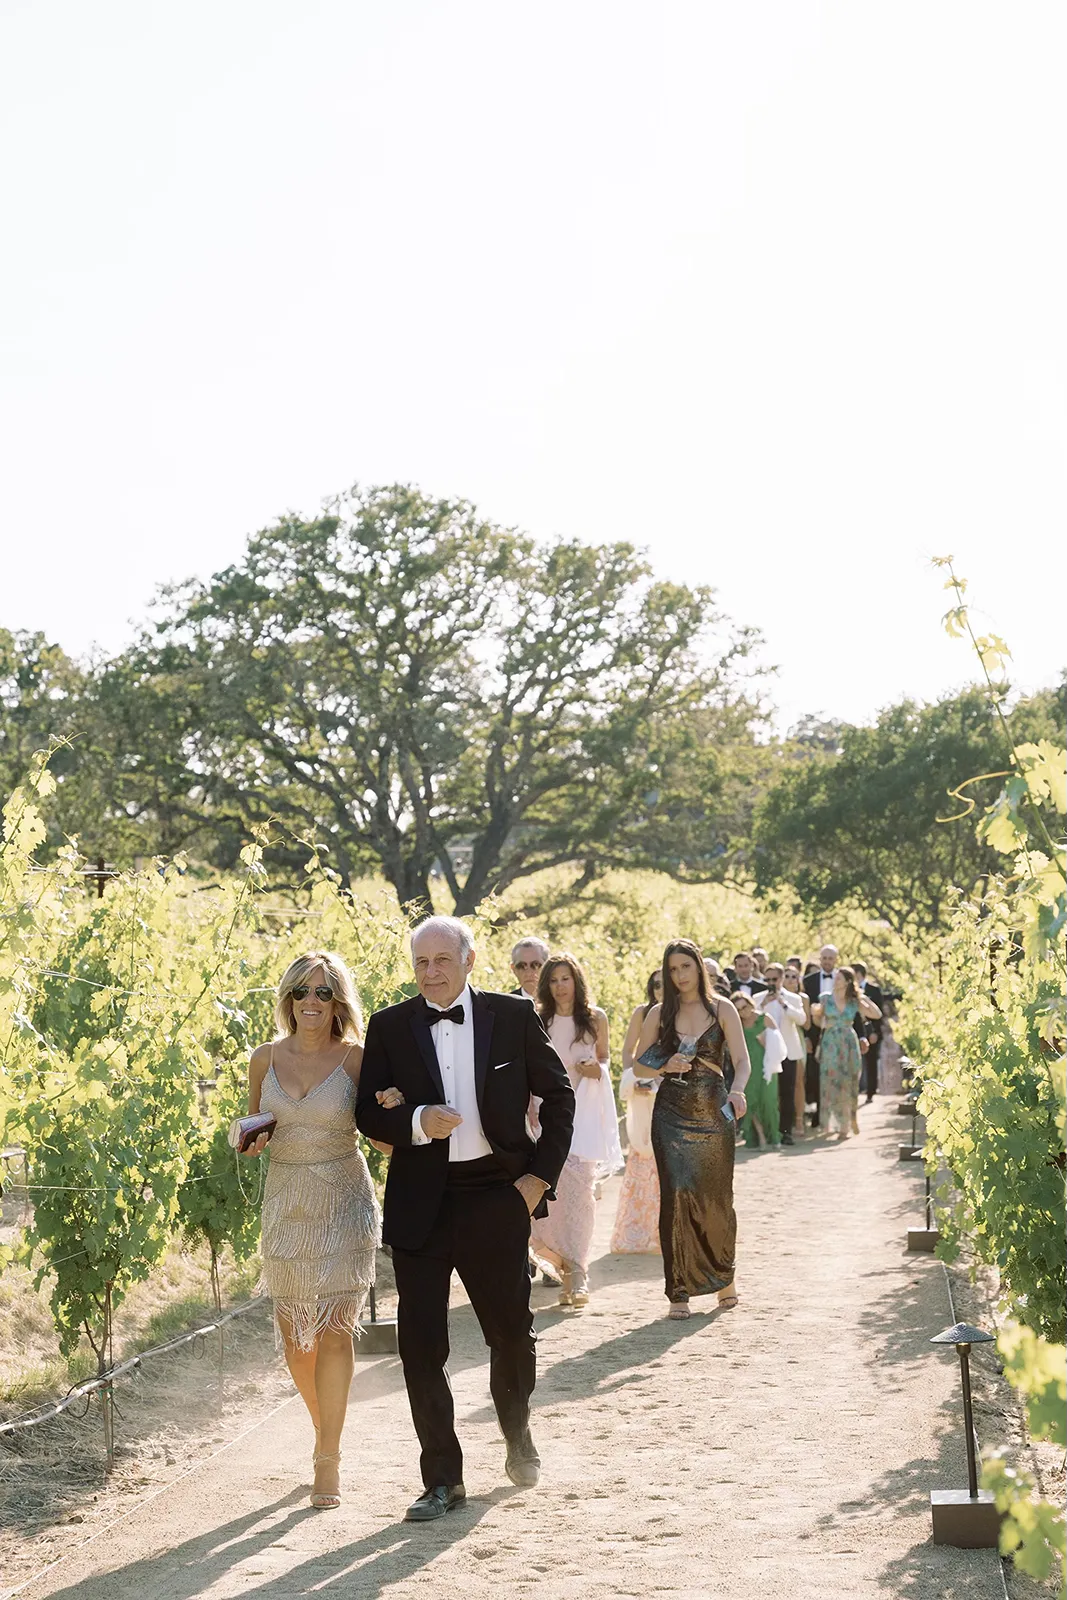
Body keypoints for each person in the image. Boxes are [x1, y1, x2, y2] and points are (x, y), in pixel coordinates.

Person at [355, 916, 575, 1520]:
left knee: (510, 1337)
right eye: (420, 962)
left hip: (496, 1195)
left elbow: (559, 1098)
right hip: (421, 1200)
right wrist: (416, 1121)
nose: (430, 972)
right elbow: (369, 1114)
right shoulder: (390, 1026)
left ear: (469, 961)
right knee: (420, 1347)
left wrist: (538, 1178)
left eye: (441, 960)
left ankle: (517, 1432)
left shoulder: (512, 1016)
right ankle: (443, 1479)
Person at [245, 950, 394, 1510]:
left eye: (323, 992)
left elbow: (382, 1137)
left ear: (338, 1003)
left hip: (343, 1200)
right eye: (302, 991)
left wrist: (400, 1109)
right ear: (288, 999)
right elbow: (254, 1127)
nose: (311, 1002)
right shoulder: (263, 1058)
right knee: (294, 1338)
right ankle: (324, 1427)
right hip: (285, 1201)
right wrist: (252, 1141)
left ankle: (326, 1458)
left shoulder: (357, 1060)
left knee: (334, 1331)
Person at [635, 939, 751, 1320]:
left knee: (716, 1199)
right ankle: (678, 1290)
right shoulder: (658, 1013)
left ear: (698, 967)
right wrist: (664, 1066)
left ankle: (724, 1278)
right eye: (672, 969)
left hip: (714, 1114)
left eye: (685, 967)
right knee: (676, 1196)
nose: (679, 975)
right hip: (670, 1114)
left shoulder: (723, 1008)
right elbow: (639, 1066)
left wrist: (736, 1091)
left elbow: (742, 1062)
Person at [530, 953, 621, 1305]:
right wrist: (528, 1106)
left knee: (581, 1194)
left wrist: (594, 1069)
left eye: (565, 978)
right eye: (553, 980)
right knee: (550, 1193)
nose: (560, 986)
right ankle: (564, 1266)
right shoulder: (539, 1020)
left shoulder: (596, 1018)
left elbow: (605, 1064)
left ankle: (579, 1272)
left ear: (576, 980)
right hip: (547, 1112)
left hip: (584, 1109)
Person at [611, 970, 663, 1254]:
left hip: (673, 1090)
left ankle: (666, 1232)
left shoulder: (685, 1013)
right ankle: (638, 1231)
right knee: (644, 1151)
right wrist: (637, 1079)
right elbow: (628, 1051)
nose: (660, 990)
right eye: (655, 985)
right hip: (644, 1093)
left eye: (664, 984)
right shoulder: (642, 1013)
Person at [811, 966, 882, 1138]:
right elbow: (816, 1018)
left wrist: (863, 997)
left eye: (839, 978)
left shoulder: (854, 1001)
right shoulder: (825, 998)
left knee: (848, 1082)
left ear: (848, 982)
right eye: (835, 977)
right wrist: (822, 1022)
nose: (835, 980)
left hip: (849, 1043)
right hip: (830, 1043)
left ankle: (846, 1125)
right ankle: (828, 1124)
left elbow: (876, 1014)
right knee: (830, 1082)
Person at [802, 946, 865, 1127]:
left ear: (836, 960)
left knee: (844, 1078)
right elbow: (809, 1012)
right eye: (824, 957)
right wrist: (808, 1035)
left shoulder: (851, 993)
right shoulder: (808, 980)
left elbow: (856, 1016)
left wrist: (862, 1036)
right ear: (820, 959)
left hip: (846, 1039)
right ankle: (823, 1118)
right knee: (820, 1079)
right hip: (821, 1036)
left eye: (831, 958)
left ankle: (843, 1120)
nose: (827, 960)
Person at [758, 964, 807, 1146]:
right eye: (768, 980)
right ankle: (769, 1131)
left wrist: (783, 1004)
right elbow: (750, 1019)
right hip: (766, 1051)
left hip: (788, 1052)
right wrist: (763, 1004)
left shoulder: (793, 998)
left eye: (774, 979)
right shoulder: (758, 998)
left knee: (787, 1092)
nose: (771, 983)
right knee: (768, 1093)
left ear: (781, 979)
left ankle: (786, 1132)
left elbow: (802, 1019)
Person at [733, 992, 782, 1148]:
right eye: (738, 1009)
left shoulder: (764, 1018)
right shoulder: (737, 1025)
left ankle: (774, 1136)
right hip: (747, 1067)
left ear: (750, 1003)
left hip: (766, 1065)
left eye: (745, 1006)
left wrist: (766, 1042)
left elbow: (779, 1045)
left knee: (769, 1102)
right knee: (751, 1100)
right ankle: (760, 1136)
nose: (743, 1011)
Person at [780, 965, 811, 1137]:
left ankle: (799, 1119)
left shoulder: (802, 998)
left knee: (799, 1081)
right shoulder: (775, 997)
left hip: (797, 1038)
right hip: (780, 1039)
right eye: (787, 976)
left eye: (794, 976)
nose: (791, 979)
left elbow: (806, 1024)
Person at [852, 961, 885, 1101]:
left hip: (871, 1032)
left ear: (859, 974)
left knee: (871, 1062)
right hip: (854, 1031)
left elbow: (879, 1014)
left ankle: (871, 1092)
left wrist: (874, 1033)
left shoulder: (874, 989)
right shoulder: (849, 991)